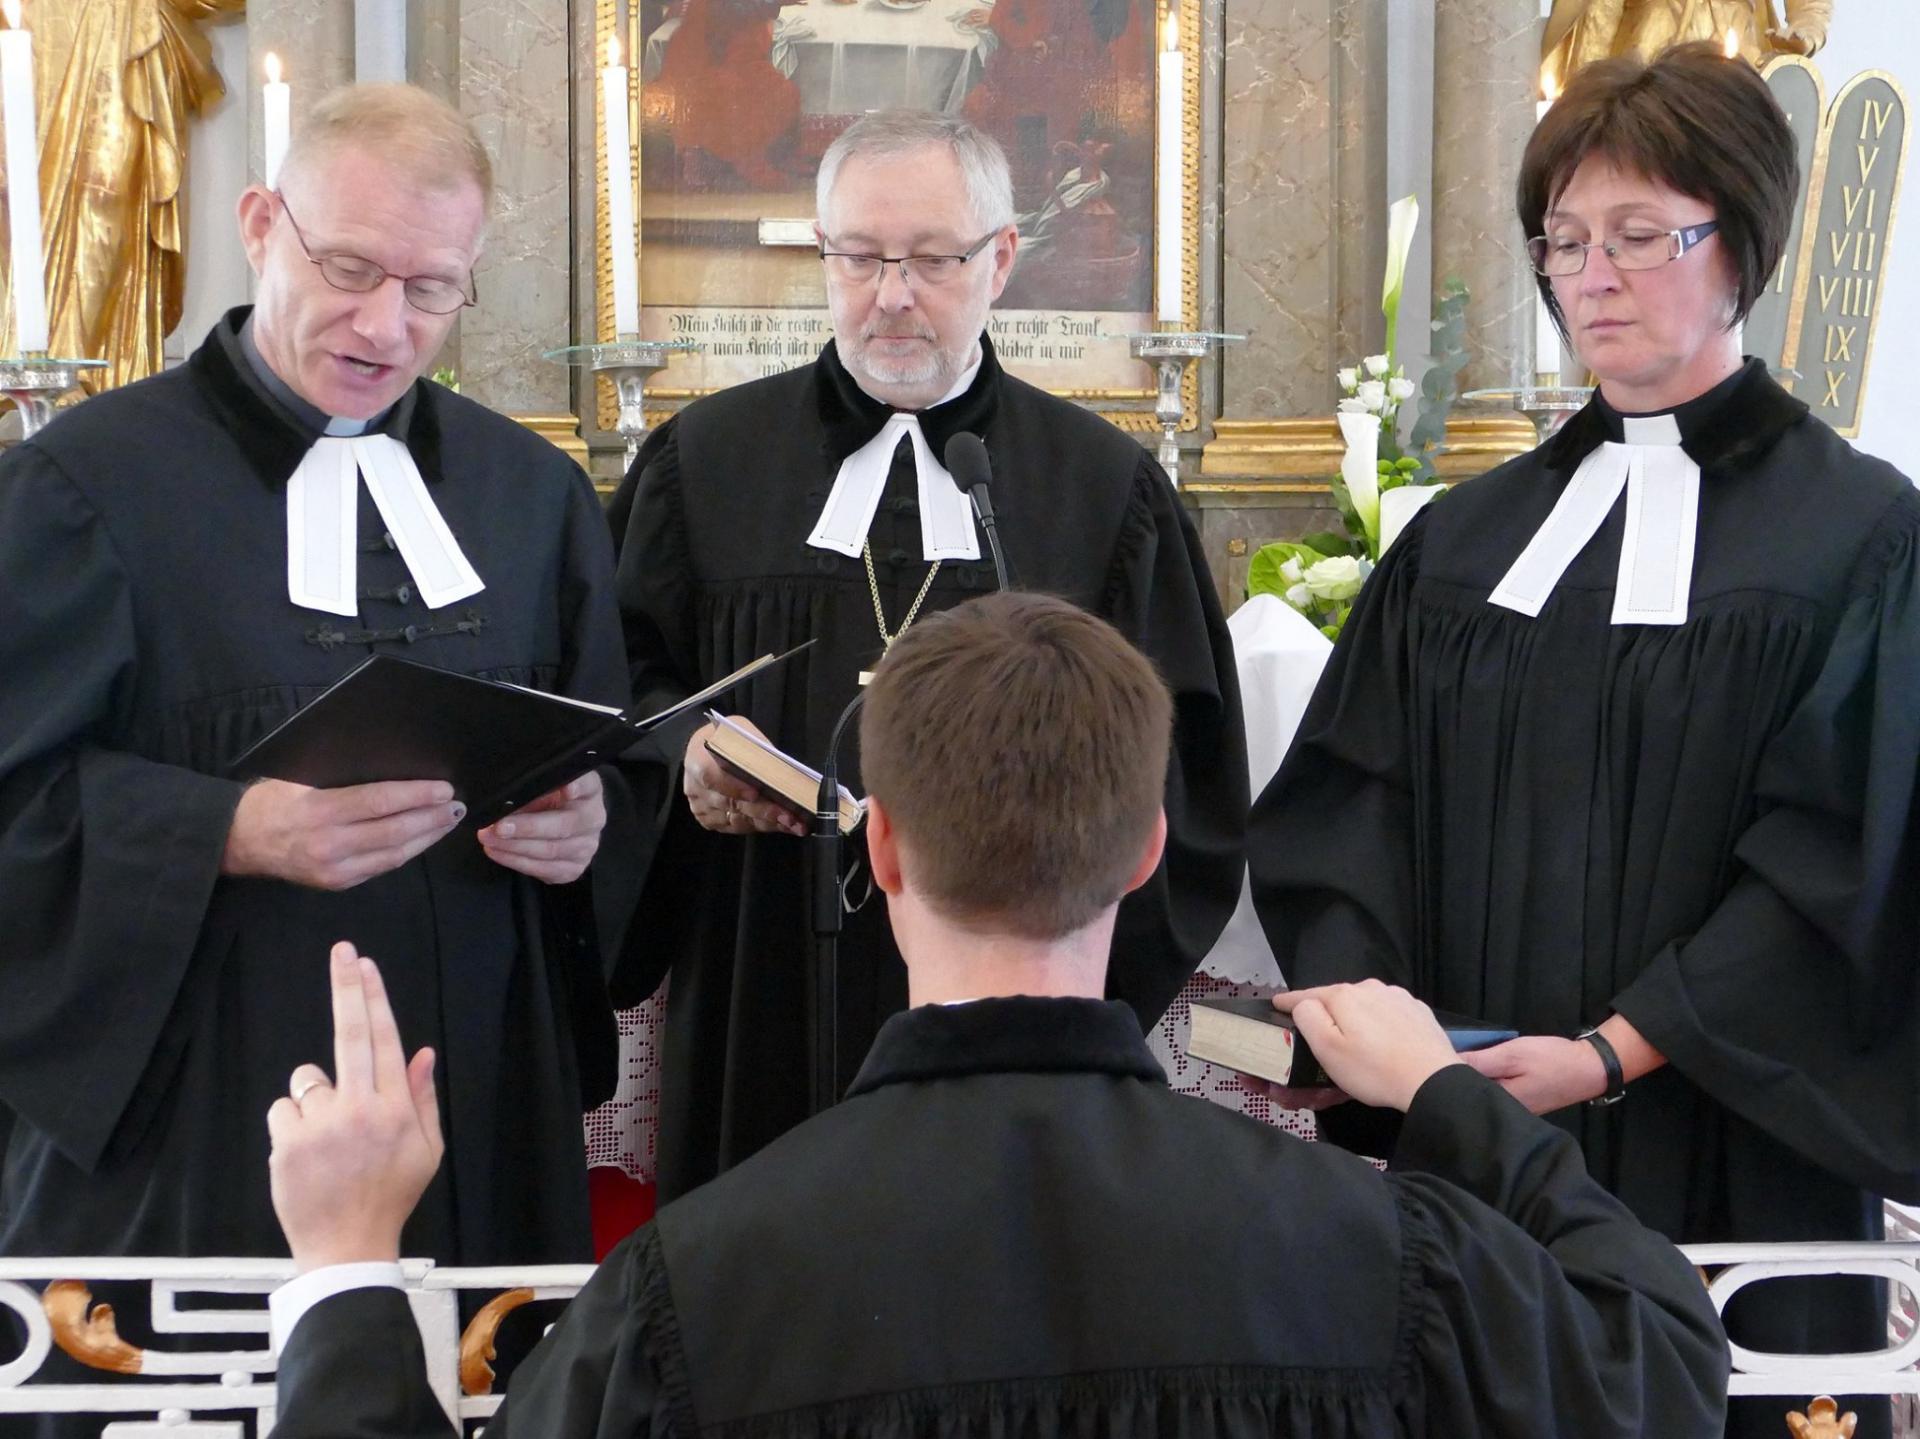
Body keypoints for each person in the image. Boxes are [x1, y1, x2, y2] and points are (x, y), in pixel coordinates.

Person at [266, 592, 1727, 1438]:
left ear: (885, 849)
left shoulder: (688, 1292)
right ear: (1149, 851)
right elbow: (1663, 1357)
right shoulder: (1384, 1256)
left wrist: (345, 1264)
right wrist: (1446, 1096)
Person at [1249, 43, 1917, 1439]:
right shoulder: (1463, 540)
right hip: (1470, 1125)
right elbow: (1350, 804)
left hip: (1733, 1137)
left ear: (1742, 246)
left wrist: (1615, 1049)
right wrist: (1385, 1028)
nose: (1591, 278)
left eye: (1638, 235)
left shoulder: (1863, 537)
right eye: (1563, 241)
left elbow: (1842, 853)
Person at [0, 83, 623, 1298]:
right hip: (203, 1122)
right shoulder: (83, 487)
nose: (384, 323)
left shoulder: (529, 494)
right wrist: (223, 828)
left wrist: (586, 823)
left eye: (431, 286)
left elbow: (609, 753)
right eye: (349, 267)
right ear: (259, 224)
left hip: (480, 1101)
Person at [609, 109, 1245, 1199]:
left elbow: (1181, 771)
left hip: (1011, 1020)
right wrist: (687, 757)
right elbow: (615, 684)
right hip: (760, 979)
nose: (892, 294)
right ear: (822, 254)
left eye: (933, 259)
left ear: (1001, 259)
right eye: (859, 257)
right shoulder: (703, 467)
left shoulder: (1102, 491)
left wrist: (1073, 979)